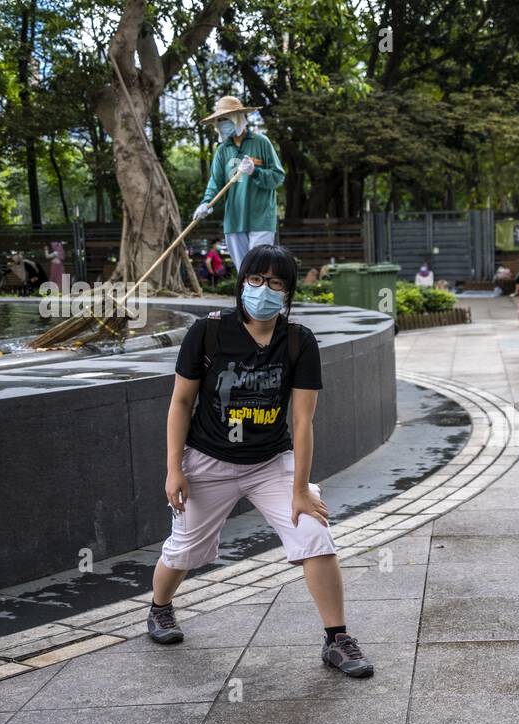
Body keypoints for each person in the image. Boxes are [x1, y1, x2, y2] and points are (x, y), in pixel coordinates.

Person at [148, 244, 373, 677]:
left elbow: (303, 421)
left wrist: (300, 489)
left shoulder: (298, 341)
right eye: (255, 280)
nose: (263, 289)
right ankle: (159, 608)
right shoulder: (208, 332)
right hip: (208, 461)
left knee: (314, 532)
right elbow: (180, 403)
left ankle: (337, 638)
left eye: (275, 283)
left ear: (287, 292)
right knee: (183, 551)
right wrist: (174, 468)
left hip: (271, 462)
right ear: (241, 282)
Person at [192, 96, 285, 271]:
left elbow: (278, 177)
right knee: (244, 272)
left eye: (225, 119)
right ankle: (245, 300)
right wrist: (206, 202)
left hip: (261, 218)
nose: (221, 123)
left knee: (258, 269)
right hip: (234, 219)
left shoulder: (261, 142)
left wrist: (255, 171)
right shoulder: (222, 150)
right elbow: (215, 181)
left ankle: (258, 299)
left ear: (238, 117)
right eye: (219, 120)